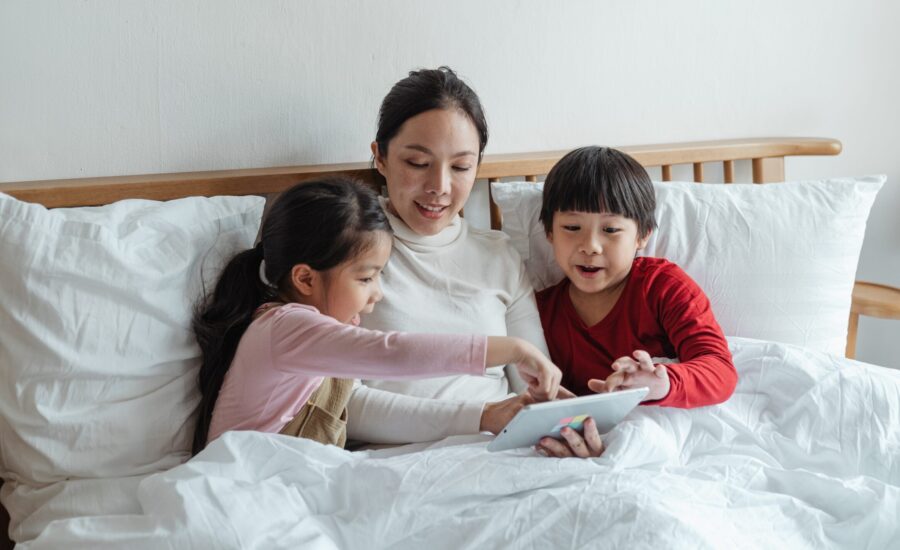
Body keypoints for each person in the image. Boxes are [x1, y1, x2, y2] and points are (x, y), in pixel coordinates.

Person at [191, 177, 561, 454]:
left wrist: (486, 414)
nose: (377, 294)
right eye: (366, 278)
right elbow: (392, 352)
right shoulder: (287, 328)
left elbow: (373, 388)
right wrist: (512, 349)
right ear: (304, 278)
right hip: (241, 483)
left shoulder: (310, 336)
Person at [348, 67, 556, 445]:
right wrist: (480, 417)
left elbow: (538, 387)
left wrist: (566, 423)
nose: (439, 188)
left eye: (460, 167)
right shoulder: (346, 255)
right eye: (417, 163)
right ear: (380, 157)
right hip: (396, 463)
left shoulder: (499, 256)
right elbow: (345, 408)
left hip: (503, 452)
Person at [533, 146, 738, 458]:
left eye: (611, 230)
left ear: (642, 235)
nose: (590, 246)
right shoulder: (538, 313)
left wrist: (661, 383)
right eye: (572, 228)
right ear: (549, 232)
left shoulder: (662, 286)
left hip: (668, 433)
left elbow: (720, 372)